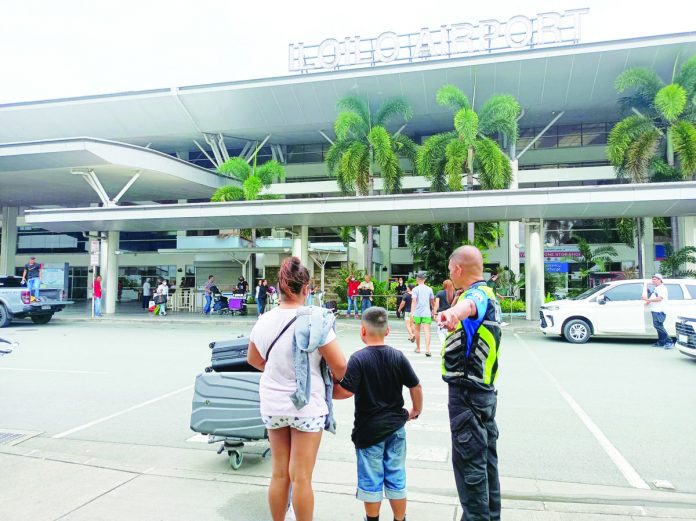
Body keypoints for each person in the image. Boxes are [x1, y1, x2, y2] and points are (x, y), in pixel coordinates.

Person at [247, 256, 347, 521]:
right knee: (301, 477)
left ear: (279, 289)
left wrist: (280, 369)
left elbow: (254, 360)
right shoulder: (316, 321)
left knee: (280, 472)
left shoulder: (264, 320)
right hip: (308, 406)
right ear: (306, 289)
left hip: (272, 403)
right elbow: (341, 367)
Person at [334, 307, 423, 521]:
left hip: (368, 432)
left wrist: (328, 391)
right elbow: (416, 386)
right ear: (388, 330)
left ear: (363, 331)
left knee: (371, 479)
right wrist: (415, 410)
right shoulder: (397, 356)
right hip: (395, 428)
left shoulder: (358, 359)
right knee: (396, 476)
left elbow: (346, 391)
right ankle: (399, 519)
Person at [438, 245, 502, 521]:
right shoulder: (490, 296)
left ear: (458, 269)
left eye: (450, 270)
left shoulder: (476, 295)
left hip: (468, 397)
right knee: (486, 464)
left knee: (470, 468)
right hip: (483, 394)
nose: (450, 274)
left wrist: (453, 313)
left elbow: (468, 306)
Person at [642, 273, 673, 349]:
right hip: (655, 310)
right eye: (652, 279)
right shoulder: (657, 288)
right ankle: (661, 342)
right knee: (658, 326)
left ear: (660, 280)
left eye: (655, 279)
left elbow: (659, 298)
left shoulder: (662, 288)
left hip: (660, 311)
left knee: (658, 326)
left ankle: (669, 341)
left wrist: (647, 299)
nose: (653, 281)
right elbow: (654, 297)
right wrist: (648, 302)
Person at [410, 272, 435, 356]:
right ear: (425, 279)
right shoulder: (429, 289)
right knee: (427, 331)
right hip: (427, 313)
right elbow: (432, 302)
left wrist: (412, 313)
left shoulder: (415, 289)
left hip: (417, 313)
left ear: (417, 279)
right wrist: (433, 311)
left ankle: (418, 348)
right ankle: (428, 349)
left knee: (417, 330)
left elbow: (414, 301)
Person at [434, 279, 456, 346]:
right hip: (451, 313)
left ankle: (444, 345)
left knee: (440, 331)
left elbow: (437, 304)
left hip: (442, 314)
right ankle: (450, 343)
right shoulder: (454, 293)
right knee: (449, 329)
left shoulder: (440, 293)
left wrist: (435, 313)